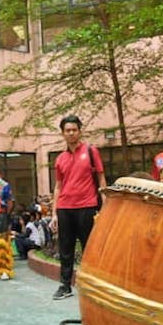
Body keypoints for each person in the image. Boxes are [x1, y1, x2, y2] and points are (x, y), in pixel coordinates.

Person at [51, 115, 107, 300]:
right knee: (65, 249)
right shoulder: (60, 159)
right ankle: (65, 286)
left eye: (74, 129)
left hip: (87, 206)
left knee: (89, 248)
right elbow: (58, 186)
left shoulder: (91, 151)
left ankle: (93, 285)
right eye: (67, 130)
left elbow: (100, 178)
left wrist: (105, 204)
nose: (71, 133)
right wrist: (54, 214)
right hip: (65, 208)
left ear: (80, 131)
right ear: (63, 133)